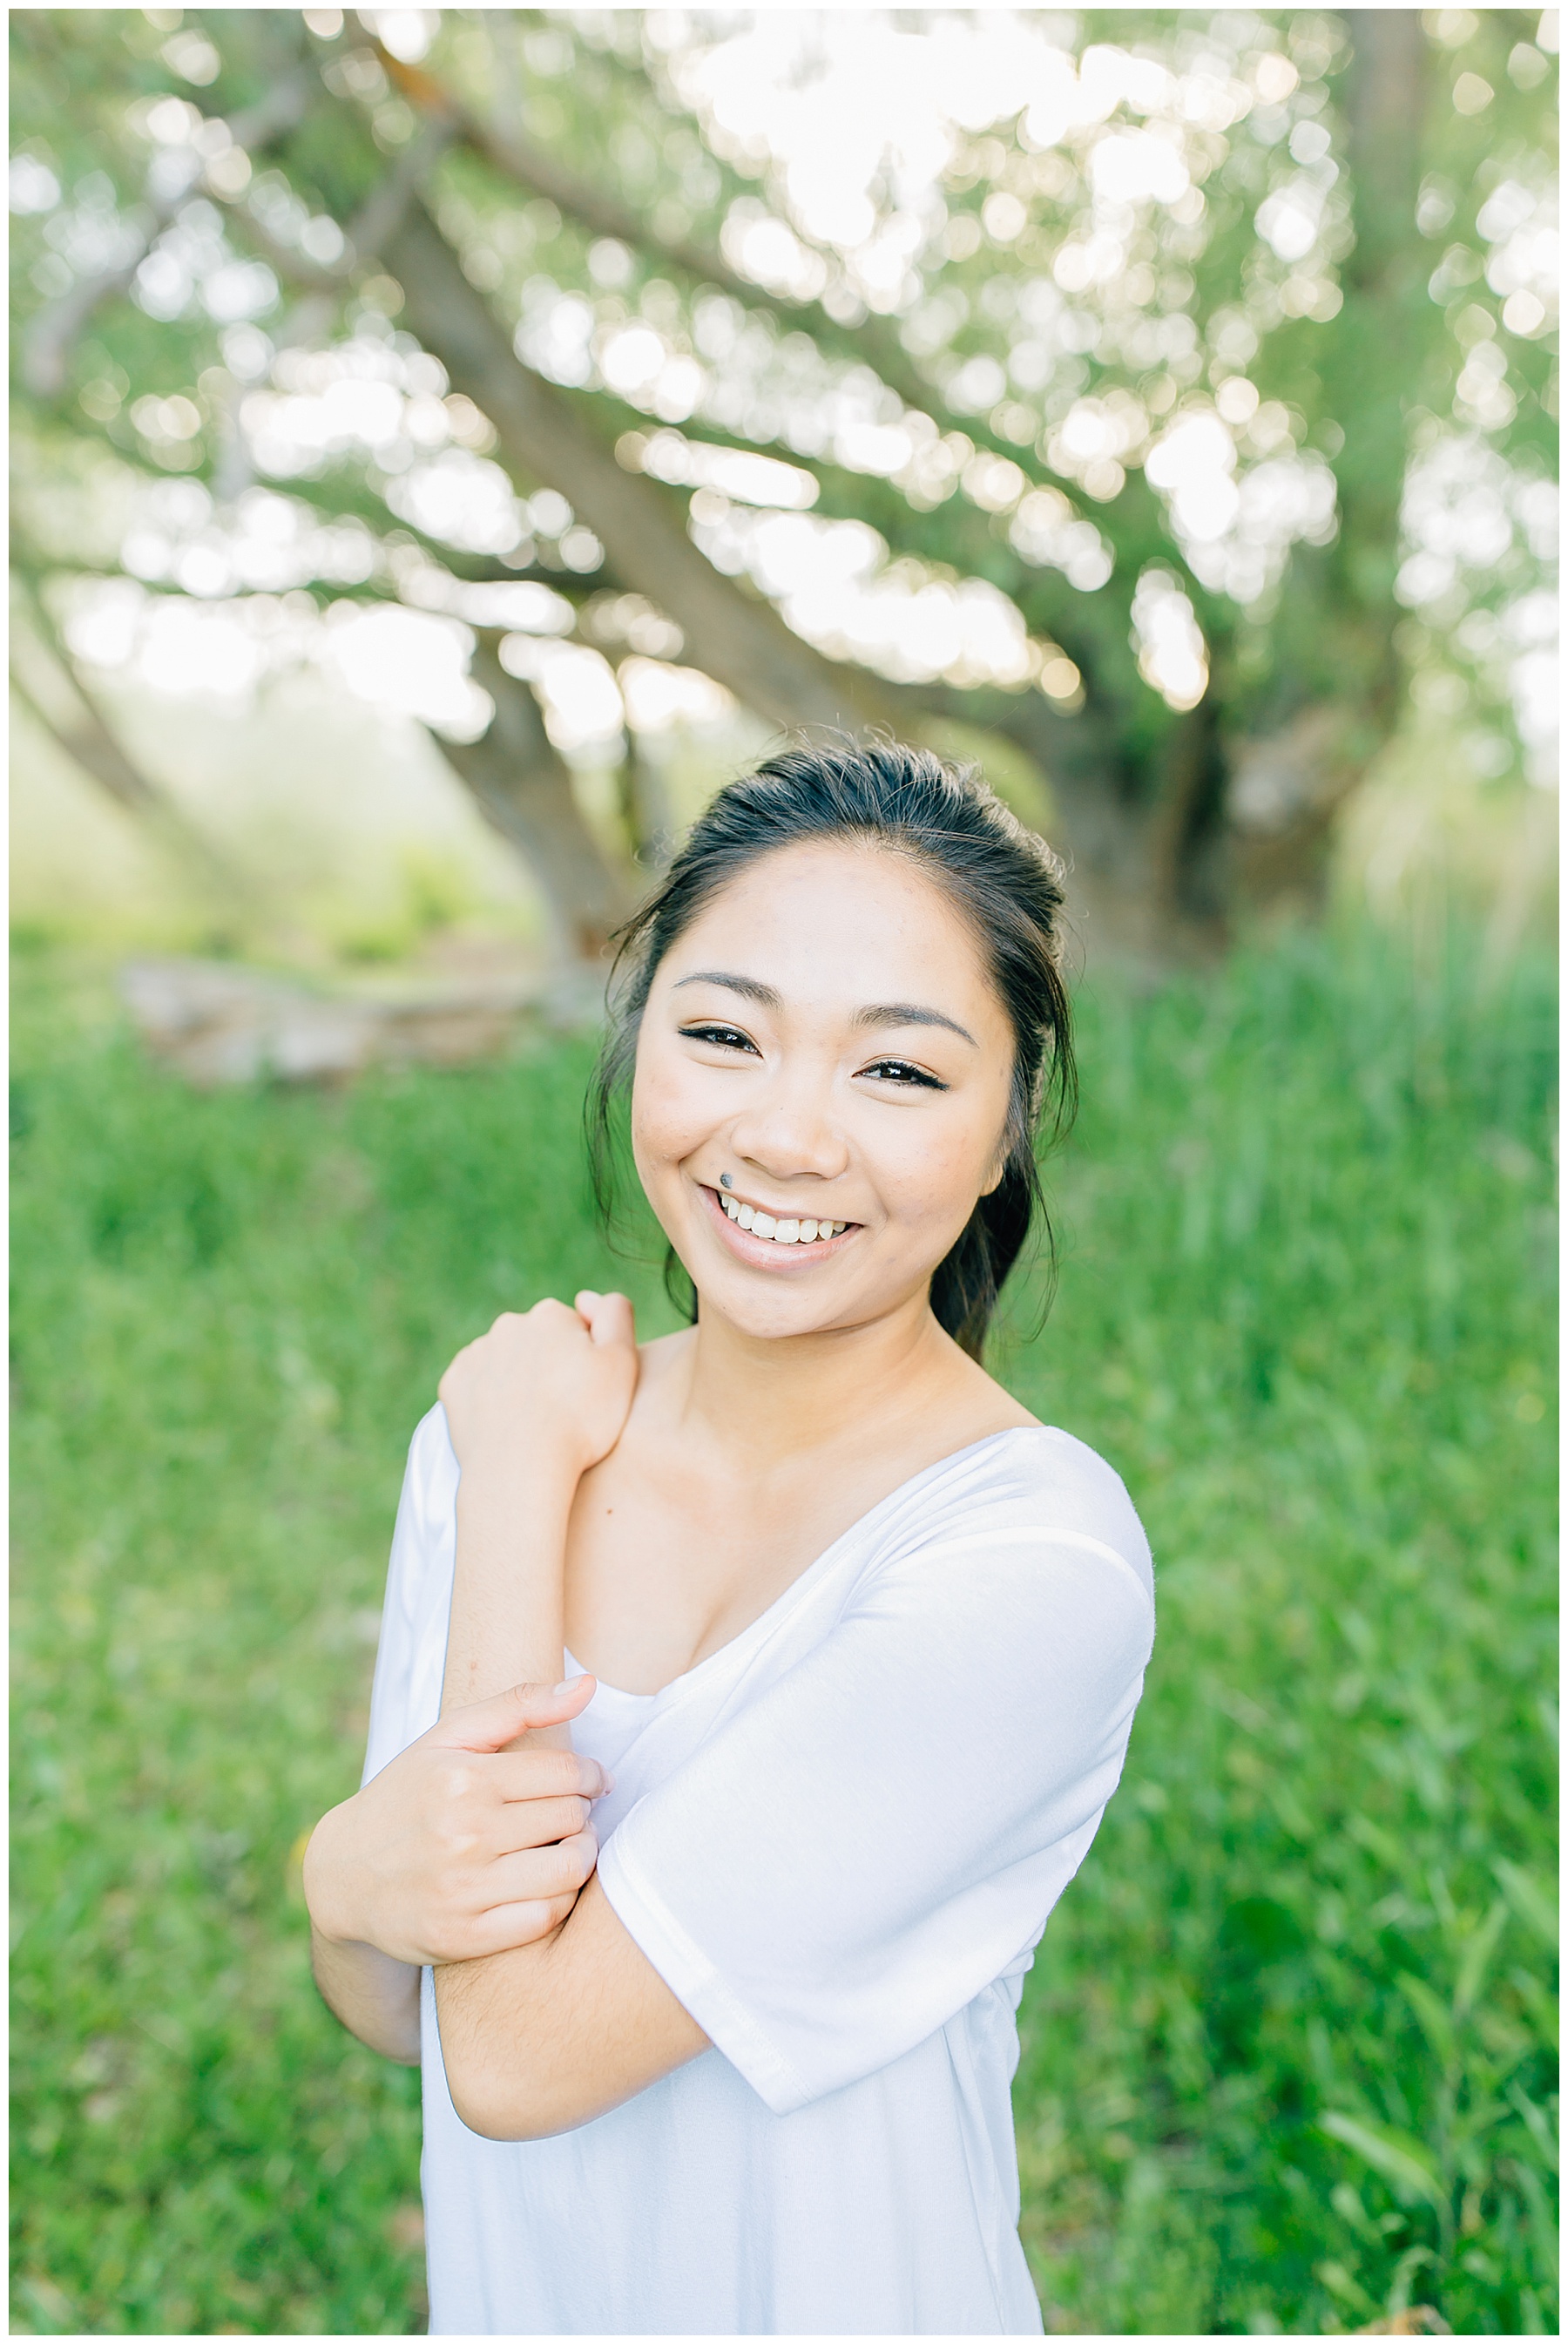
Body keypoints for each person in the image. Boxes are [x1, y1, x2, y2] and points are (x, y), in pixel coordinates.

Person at [302, 741, 1154, 2336]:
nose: (785, 1136)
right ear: (640, 1040)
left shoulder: (1028, 1566)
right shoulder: (505, 1426)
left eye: (895, 1070)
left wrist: (518, 1499)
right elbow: (409, 2008)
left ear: (1008, 1122)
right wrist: (346, 1883)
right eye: (722, 1034)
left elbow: (516, 2055)